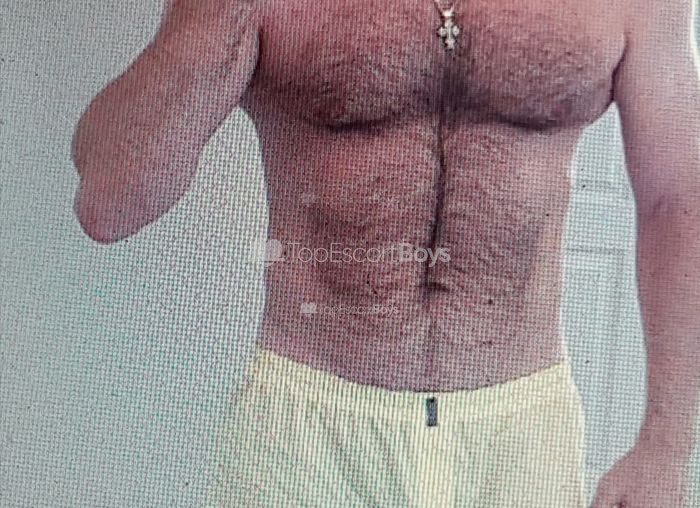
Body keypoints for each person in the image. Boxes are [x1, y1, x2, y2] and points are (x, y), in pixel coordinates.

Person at [71, 0, 700, 506]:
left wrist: (667, 449)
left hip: (520, 435)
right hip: (308, 430)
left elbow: (677, 200)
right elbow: (109, 203)